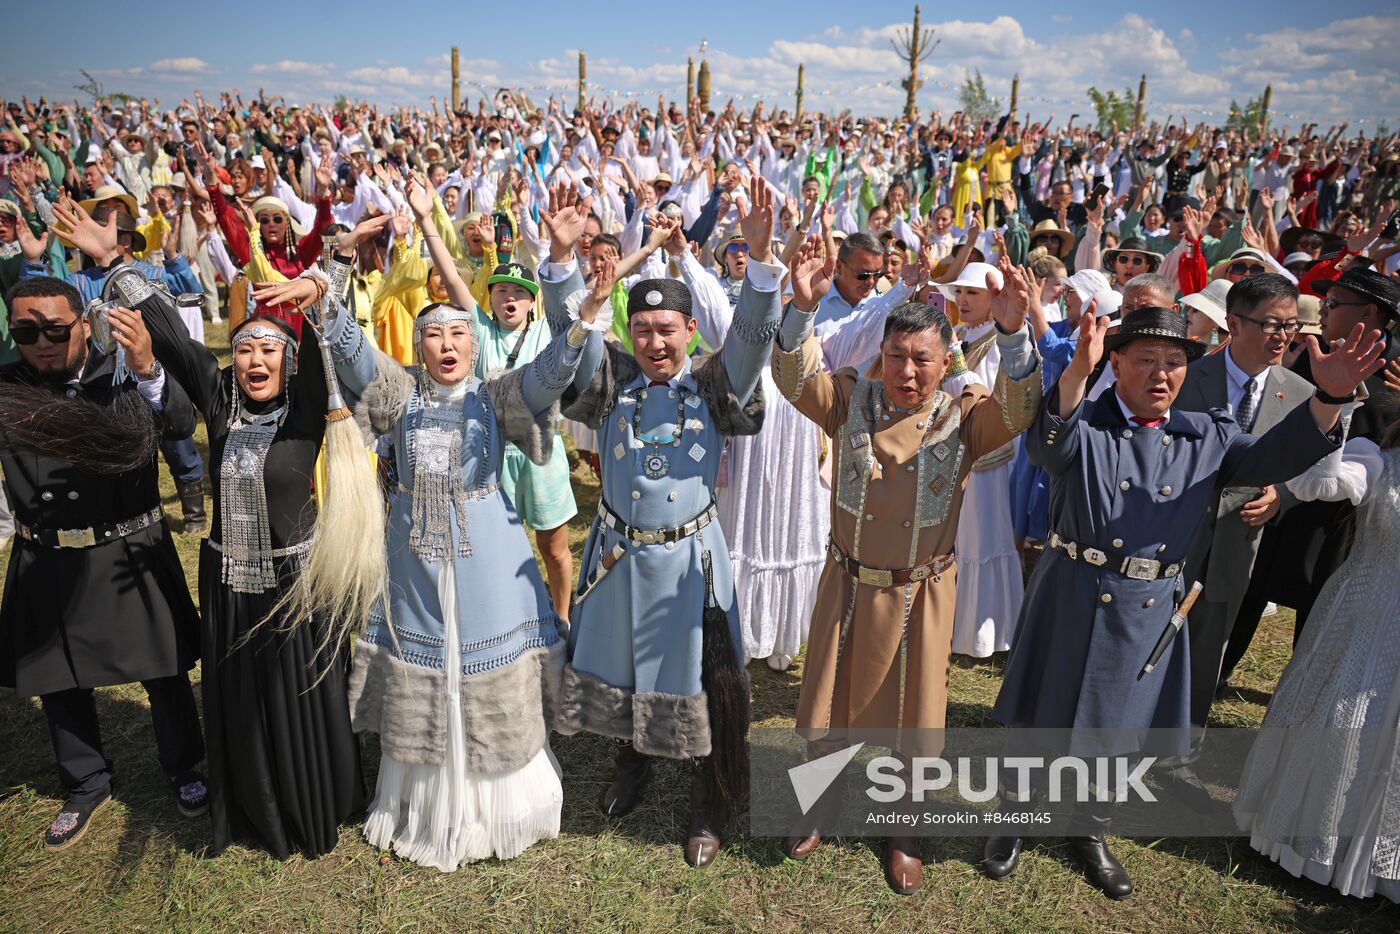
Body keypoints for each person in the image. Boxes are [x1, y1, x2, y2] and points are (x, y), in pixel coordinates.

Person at [985, 303, 1385, 900]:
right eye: (1144, 359)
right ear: (1114, 363)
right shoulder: (1085, 422)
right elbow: (1046, 450)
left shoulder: (1208, 435)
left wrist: (1326, 400)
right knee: (1041, 711)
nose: (1161, 374)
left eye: (1174, 362)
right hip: (1070, 589)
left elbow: (1274, 456)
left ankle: (1090, 830)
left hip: (1144, 604)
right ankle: (1014, 818)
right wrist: (1074, 376)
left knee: (1118, 723)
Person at [312, 192, 605, 870]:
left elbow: (553, 371)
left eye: (458, 335)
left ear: (476, 342)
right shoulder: (399, 393)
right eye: (434, 337)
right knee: (423, 668)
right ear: (417, 348)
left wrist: (577, 300)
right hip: (413, 565)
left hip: (488, 562)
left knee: (489, 667)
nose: (446, 346)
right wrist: (337, 262)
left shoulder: (497, 396)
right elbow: (347, 346)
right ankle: (422, 803)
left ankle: (499, 804)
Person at [774, 245, 1042, 894]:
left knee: (915, 723)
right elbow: (793, 378)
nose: (909, 371)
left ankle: (904, 826)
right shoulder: (849, 401)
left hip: (918, 593)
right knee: (826, 707)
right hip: (846, 585)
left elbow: (1019, 412)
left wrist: (1012, 333)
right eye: (897, 356)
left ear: (945, 360)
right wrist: (802, 308)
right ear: (880, 357)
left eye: (923, 358)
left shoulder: (963, 416)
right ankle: (820, 801)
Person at [538, 175, 782, 868]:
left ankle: (709, 795)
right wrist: (560, 268)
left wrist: (761, 270)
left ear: (690, 332)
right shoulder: (609, 379)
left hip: (691, 563)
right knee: (623, 663)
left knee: (705, 680)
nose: (653, 341)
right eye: (641, 329)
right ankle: (635, 759)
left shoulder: (714, 382)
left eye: (665, 329)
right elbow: (569, 333)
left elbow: (754, 345)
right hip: (616, 554)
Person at [101, 250, 370, 858]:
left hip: (298, 581)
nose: (255, 359)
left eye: (269, 349)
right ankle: (255, 803)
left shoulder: (306, 408)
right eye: (244, 348)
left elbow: (340, 344)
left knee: (300, 691)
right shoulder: (221, 402)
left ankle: (313, 799)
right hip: (227, 578)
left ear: (290, 361)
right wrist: (115, 262)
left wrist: (320, 286)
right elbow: (175, 338)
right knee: (242, 696)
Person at [0, 276, 206, 850]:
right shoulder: (7, 387)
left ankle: (185, 766)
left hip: (125, 548)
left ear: (84, 324)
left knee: (162, 669)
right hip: (45, 555)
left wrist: (147, 369)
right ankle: (86, 781)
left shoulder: (120, 376)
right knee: (55, 677)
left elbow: (181, 424)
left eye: (54, 329)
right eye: (24, 331)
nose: (40, 341)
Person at [1233, 388, 1400, 903]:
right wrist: (1339, 401)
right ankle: (1316, 844)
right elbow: (1318, 482)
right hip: (1364, 616)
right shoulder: (1379, 459)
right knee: (1347, 727)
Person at [1167, 275, 1315, 802]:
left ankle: (1178, 760)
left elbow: (1319, 461)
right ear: (1232, 324)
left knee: (1209, 647)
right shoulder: (1186, 375)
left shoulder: (1301, 393)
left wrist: (1283, 496)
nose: (1283, 336)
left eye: (1291, 325)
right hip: (1170, 539)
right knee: (1149, 637)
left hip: (1236, 546)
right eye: (1272, 324)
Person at [403, 176, 579, 620]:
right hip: (490, 453)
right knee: (496, 545)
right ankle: (508, 617)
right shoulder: (478, 330)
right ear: (491, 297)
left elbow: (574, 303)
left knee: (554, 548)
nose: (510, 298)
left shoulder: (546, 331)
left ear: (533, 301)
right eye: (501, 290)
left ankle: (562, 619)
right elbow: (449, 275)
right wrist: (426, 220)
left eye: (520, 292)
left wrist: (561, 253)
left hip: (541, 454)